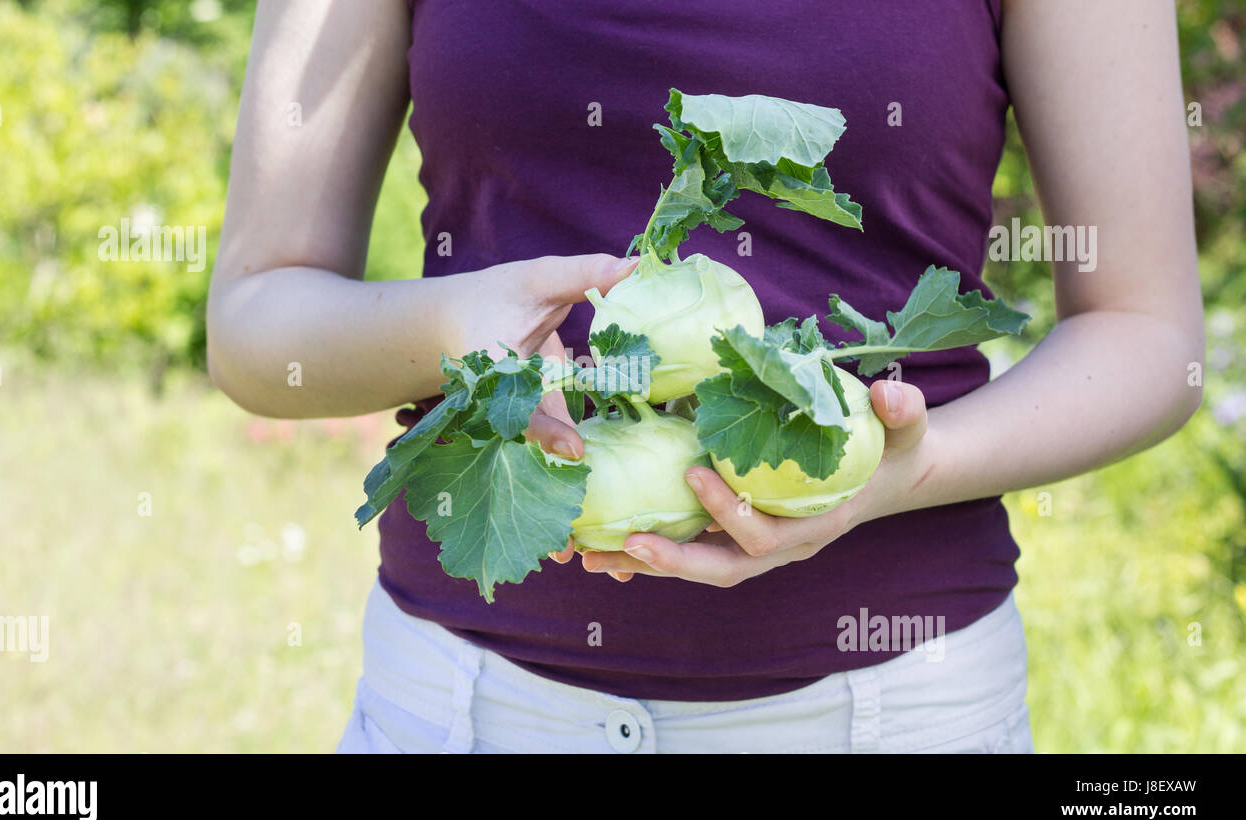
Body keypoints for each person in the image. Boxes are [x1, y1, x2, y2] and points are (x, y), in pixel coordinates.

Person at [207, 0, 1204, 753]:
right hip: (461, 709)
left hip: (897, 715)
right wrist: (448, 328)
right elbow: (258, 318)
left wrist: (912, 465)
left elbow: (1148, 332)